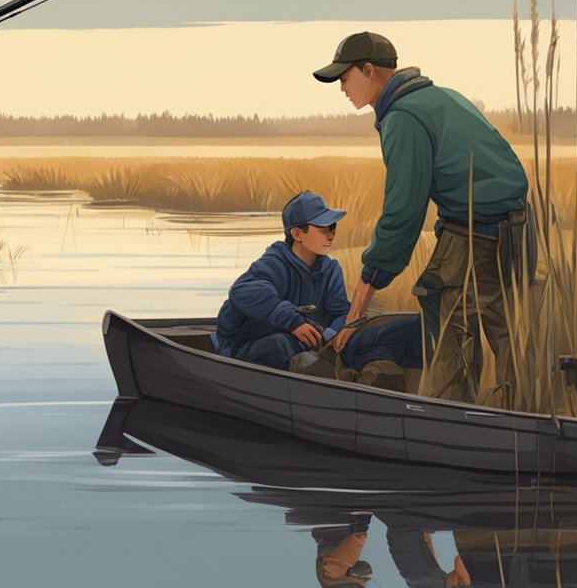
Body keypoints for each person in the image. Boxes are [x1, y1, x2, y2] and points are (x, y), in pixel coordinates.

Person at [313, 32, 536, 407]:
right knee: (509, 327)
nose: (341, 87)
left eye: (345, 77)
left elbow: (403, 213)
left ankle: (449, 417)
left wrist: (362, 299)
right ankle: (528, 414)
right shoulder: (443, 96)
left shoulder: (403, 117)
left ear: (369, 71)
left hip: (474, 234)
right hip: (518, 230)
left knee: (446, 319)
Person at [213, 192, 407, 390]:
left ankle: (377, 381)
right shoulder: (274, 263)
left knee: (358, 343)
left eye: (332, 228)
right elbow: (242, 290)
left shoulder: (330, 269)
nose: (331, 235)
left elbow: (339, 311)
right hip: (248, 347)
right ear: (297, 234)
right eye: (323, 229)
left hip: (307, 346)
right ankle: (326, 383)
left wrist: (337, 333)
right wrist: (293, 322)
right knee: (281, 344)